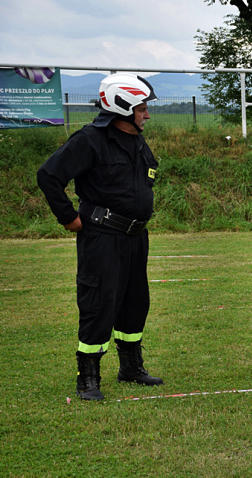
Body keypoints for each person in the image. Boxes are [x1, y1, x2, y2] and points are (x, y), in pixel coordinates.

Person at [37, 73, 164, 401]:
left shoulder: (137, 140)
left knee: (136, 302)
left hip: (136, 237)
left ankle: (131, 366)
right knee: (99, 302)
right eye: (141, 108)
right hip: (102, 237)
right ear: (122, 107)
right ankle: (88, 376)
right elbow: (49, 175)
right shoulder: (90, 140)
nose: (147, 114)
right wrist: (69, 217)